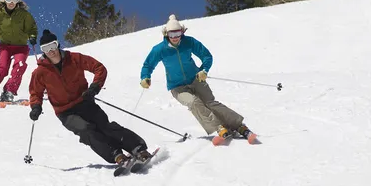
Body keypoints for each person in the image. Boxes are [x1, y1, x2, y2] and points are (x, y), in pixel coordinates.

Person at [28, 29, 152, 165]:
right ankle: (116, 155)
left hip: (84, 102)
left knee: (105, 127)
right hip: (65, 112)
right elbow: (35, 92)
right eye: (46, 48)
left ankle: (138, 148)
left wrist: (94, 87)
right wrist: (35, 107)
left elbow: (99, 68)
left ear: (57, 44)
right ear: (42, 51)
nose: (50, 51)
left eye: (52, 45)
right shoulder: (40, 72)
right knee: (86, 131)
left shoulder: (74, 58)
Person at [139, 14, 256, 142]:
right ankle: (219, 127)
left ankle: (239, 126)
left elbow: (206, 56)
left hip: (196, 79)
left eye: (178, 33)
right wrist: (145, 77)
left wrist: (204, 70)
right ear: (166, 34)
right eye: (172, 34)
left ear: (182, 32)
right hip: (177, 86)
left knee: (210, 103)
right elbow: (148, 65)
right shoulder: (159, 49)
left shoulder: (189, 42)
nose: (175, 38)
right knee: (194, 102)